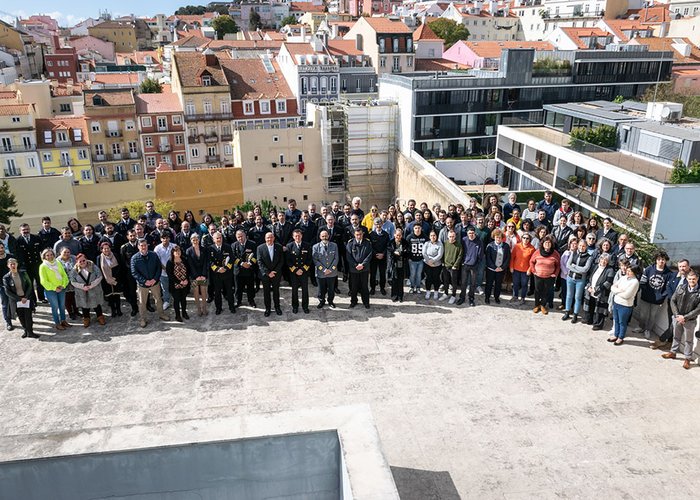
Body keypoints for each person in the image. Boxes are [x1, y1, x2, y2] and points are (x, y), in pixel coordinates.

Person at [662, 270, 700, 370]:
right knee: (676, 336)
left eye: (694, 279)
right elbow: (673, 301)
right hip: (678, 318)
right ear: (687, 279)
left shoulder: (699, 292)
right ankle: (673, 352)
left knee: (688, 340)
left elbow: (698, 309)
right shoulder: (681, 287)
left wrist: (685, 317)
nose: (692, 281)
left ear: (697, 279)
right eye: (690, 279)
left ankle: (687, 359)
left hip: (690, 321)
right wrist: (677, 315)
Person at [652, 259, 691, 350]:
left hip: (683, 307)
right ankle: (669, 343)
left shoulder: (692, 278)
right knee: (671, 323)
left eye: (684, 266)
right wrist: (672, 299)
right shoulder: (674, 275)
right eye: (680, 266)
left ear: (688, 266)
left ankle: (661, 339)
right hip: (672, 304)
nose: (682, 268)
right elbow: (668, 287)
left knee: (674, 325)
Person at [131, 238, 169, 328]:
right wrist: (145, 281)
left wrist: (154, 279)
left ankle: (161, 314)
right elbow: (134, 272)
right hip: (142, 285)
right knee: (142, 302)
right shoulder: (134, 258)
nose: (143, 247)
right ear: (138, 247)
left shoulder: (153, 255)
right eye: (141, 246)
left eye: (145, 245)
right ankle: (143, 319)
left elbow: (158, 268)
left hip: (154, 283)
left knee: (159, 299)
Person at [635, 251, 673, 341]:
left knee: (652, 316)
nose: (661, 261)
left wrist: (661, 297)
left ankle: (648, 330)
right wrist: (647, 292)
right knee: (643, 314)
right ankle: (641, 327)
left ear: (666, 261)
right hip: (646, 297)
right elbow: (643, 282)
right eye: (659, 259)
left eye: (663, 260)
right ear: (656, 260)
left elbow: (668, 288)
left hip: (657, 300)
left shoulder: (669, 273)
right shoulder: (649, 269)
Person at [38, 248, 71, 331]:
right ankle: (57, 323)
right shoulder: (43, 266)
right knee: (55, 307)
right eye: (47, 255)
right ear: (44, 256)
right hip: (51, 290)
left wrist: (63, 285)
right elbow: (43, 281)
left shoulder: (58, 263)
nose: (50, 257)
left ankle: (63, 320)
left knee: (62, 306)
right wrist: (54, 288)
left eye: (51, 254)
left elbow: (64, 275)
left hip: (61, 288)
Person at [3, 258, 37, 338]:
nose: (13, 265)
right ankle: (26, 331)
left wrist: (25, 297)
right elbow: (7, 292)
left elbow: (29, 285)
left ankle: (30, 332)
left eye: (14, 263)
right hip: (16, 300)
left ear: (17, 264)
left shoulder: (23, 273)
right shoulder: (6, 277)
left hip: (26, 298)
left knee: (28, 316)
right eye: (11, 264)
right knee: (21, 317)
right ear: (8, 266)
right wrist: (19, 299)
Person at [69, 253, 105, 328]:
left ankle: (100, 316)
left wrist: (92, 285)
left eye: (83, 260)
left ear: (86, 259)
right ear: (77, 262)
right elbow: (72, 281)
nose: (82, 262)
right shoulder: (74, 270)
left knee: (96, 304)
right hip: (82, 291)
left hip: (94, 289)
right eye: (80, 261)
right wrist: (82, 286)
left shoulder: (93, 266)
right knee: (84, 305)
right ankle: (86, 318)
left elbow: (99, 276)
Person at [609, 264, 641, 346]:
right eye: (627, 270)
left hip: (625, 305)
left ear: (634, 272)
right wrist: (620, 290)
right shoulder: (623, 278)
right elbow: (613, 287)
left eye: (630, 271)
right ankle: (616, 335)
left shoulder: (635, 282)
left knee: (622, 322)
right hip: (616, 302)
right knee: (616, 320)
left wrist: (617, 291)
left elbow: (627, 295)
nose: (628, 272)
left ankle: (621, 337)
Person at [562, 238, 593, 323]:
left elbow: (585, 270)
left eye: (583, 246)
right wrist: (577, 268)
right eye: (580, 245)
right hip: (570, 278)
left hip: (580, 280)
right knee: (569, 296)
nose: (581, 247)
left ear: (586, 246)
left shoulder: (589, 257)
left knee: (578, 298)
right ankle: (567, 312)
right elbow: (568, 265)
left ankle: (575, 314)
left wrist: (574, 266)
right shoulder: (574, 253)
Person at [528, 235, 560, 315]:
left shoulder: (555, 253)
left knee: (546, 292)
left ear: (552, 244)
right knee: (537, 291)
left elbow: (558, 265)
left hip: (549, 277)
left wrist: (555, 274)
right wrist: (533, 270)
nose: (547, 244)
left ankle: (543, 305)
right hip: (538, 275)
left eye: (549, 243)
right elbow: (531, 261)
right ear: (542, 243)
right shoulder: (537, 252)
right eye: (546, 242)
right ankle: (536, 305)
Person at [583, 253, 615, 330]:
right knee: (591, 306)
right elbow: (590, 277)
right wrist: (589, 286)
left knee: (599, 309)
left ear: (608, 261)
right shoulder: (595, 266)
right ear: (599, 259)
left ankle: (598, 324)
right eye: (602, 259)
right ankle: (589, 320)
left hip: (601, 293)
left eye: (605, 260)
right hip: (591, 290)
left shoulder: (610, 270)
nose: (603, 261)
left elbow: (608, 283)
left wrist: (597, 289)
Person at [15, 223, 44, 302]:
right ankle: (33, 300)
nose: (26, 231)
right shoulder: (18, 241)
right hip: (26, 266)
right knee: (29, 283)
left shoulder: (36, 238)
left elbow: (42, 249)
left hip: (37, 263)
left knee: (40, 281)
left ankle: (41, 298)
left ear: (29, 229)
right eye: (23, 230)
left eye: (27, 229)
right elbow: (17, 254)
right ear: (20, 231)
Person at [257, 232, 284, 317]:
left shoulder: (279, 247)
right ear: (265, 239)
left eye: (271, 237)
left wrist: (274, 271)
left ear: (274, 238)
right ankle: (267, 308)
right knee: (266, 292)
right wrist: (268, 273)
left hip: (276, 274)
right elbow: (259, 262)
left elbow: (281, 261)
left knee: (276, 292)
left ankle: (277, 307)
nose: (269, 239)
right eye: (268, 238)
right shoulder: (260, 248)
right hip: (265, 275)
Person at [208, 232, 235, 315]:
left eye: (220, 238)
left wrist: (226, 268)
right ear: (213, 239)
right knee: (217, 292)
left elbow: (231, 259)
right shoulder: (210, 249)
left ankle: (232, 307)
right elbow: (209, 261)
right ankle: (218, 308)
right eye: (217, 238)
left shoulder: (227, 247)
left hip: (227, 274)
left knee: (229, 291)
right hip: (216, 275)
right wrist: (217, 269)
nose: (219, 239)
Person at [286, 229, 312, 314]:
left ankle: (305, 306)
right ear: (293, 237)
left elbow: (309, 259)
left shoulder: (307, 245)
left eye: (299, 235)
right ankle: (295, 306)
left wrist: (303, 269)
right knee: (294, 291)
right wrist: (296, 270)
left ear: (302, 236)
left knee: (305, 290)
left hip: (304, 271)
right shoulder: (289, 246)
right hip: (294, 272)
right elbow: (288, 260)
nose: (297, 237)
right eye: (296, 236)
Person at [313, 229, 339, 309]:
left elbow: (336, 258)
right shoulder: (315, 247)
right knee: (321, 289)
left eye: (326, 236)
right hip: (321, 273)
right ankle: (321, 301)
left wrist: (330, 269)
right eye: (323, 236)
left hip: (332, 272)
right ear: (320, 237)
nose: (325, 237)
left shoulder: (334, 245)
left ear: (328, 236)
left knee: (331, 289)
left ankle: (330, 301)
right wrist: (324, 270)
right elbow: (315, 260)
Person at [346, 227, 372, 309]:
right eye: (357, 235)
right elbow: (348, 256)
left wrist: (363, 264)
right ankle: (353, 301)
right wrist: (355, 265)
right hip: (354, 269)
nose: (359, 236)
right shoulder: (350, 243)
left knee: (364, 286)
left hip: (364, 269)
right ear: (354, 235)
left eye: (360, 234)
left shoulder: (367, 243)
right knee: (354, 287)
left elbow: (369, 255)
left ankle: (366, 302)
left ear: (362, 234)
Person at [457, 227, 483, 307]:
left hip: (474, 265)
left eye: (472, 233)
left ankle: (471, 298)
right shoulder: (464, 240)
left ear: (475, 233)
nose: (471, 235)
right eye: (469, 233)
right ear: (467, 233)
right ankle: (462, 297)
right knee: (464, 283)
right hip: (465, 264)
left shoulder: (479, 241)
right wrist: (462, 262)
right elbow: (461, 251)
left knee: (473, 283)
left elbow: (480, 254)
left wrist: (477, 263)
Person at [96, 242, 123, 318]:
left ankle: (118, 309)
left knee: (117, 295)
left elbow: (119, 267)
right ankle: (113, 310)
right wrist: (107, 279)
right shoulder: (99, 258)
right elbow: (99, 270)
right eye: (104, 248)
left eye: (108, 248)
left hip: (116, 279)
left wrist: (115, 277)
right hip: (106, 280)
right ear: (102, 250)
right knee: (110, 297)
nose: (107, 250)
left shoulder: (115, 255)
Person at [231, 230, 256, 309]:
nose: (240, 238)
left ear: (245, 236)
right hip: (238, 270)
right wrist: (242, 263)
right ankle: (238, 301)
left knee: (250, 286)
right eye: (238, 237)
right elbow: (233, 257)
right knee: (238, 287)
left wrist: (250, 263)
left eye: (241, 236)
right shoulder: (233, 245)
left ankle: (251, 300)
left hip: (249, 269)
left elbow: (256, 256)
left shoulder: (252, 244)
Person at [484, 229, 510, 305]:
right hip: (491, 269)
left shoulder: (506, 246)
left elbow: (508, 258)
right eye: (497, 237)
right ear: (494, 237)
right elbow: (488, 258)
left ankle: (496, 297)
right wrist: (495, 267)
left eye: (500, 237)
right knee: (489, 284)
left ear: (502, 238)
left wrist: (502, 267)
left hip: (501, 270)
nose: (498, 239)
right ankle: (487, 297)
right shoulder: (490, 246)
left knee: (498, 284)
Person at [185, 233, 209, 316]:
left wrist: (203, 275)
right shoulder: (188, 250)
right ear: (191, 240)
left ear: (199, 240)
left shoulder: (204, 249)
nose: (195, 241)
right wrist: (196, 276)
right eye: (193, 240)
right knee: (195, 292)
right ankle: (198, 309)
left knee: (204, 291)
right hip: (194, 275)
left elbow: (206, 262)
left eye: (197, 239)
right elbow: (190, 264)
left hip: (203, 275)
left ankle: (204, 308)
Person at [510, 232, 535, 305]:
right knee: (515, 283)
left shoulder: (532, 248)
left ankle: (523, 297)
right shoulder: (517, 246)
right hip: (516, 268)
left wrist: (530, 269)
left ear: (529, 239)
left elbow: (532, 261)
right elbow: (512, 257)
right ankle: (515, 296)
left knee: (524, 284)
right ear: (521, 238)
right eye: (524, 238)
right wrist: (511, 266)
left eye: (527, 238)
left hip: (525, 270)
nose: (525, 239)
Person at [166, 246, 190, 322]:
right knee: (176, 300)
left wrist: (186, 279)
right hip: (175, 285)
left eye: (179, 251)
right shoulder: (170, 262)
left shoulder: (184, 260)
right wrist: (180, 282)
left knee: (183, 299)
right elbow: (170, 275)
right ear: (173, 253)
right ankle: (177, 315)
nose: (178, 252)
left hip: (185, 284)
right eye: (176, 251)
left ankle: (184, 313)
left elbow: (188, 270)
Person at [368, 218, 389, 296]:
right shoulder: (371, 234)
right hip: (374, 257)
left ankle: (382, 288)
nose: (378, 225)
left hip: (383, 257)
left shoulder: (386, 234)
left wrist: (383, 254)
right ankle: (372, 288)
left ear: (382, 224)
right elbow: (370, 246)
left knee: (382, 274)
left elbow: (387, 246)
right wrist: (376, 254)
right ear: (374, 224)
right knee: (373, 274)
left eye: (379, 223)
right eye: (376, 224)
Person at [441, 230, 463, 305]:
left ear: (455, 236)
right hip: (445, 266)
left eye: (453, 236)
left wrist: (455, 265)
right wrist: (443, 262)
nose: (451, 238)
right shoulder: (445, 243)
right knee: (445, 281)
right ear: (448, 236)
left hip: (454, 267)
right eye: (450, 236)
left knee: (454, 282)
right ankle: (446, 293)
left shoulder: (459, 245)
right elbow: (442, 253)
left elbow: (460, 256)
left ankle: (453, 295)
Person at [387, 228, 408, 303]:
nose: (398, 237)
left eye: (400, 235)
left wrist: (401, 253)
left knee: (400, 280)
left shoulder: (405, 242)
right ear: (394, 235)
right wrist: (394, 253)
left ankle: (400, 296)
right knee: (394, 280)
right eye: (397, 235)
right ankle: (394, 296)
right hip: (394, 264)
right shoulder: (390, 242)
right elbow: (389, 253)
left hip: (402, 263)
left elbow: (407, 251)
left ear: (401, 235)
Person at [57, 247, 78, 320]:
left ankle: (76, 311)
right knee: (67, 299)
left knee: (75, 297)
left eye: (68, 252)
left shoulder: (74, 258)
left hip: (74, 281)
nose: (66, 254)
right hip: (64, 282)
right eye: (64, 252)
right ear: (60, 253)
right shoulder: (57, 261)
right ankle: (70, 312)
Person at [422, 230, 444, 300]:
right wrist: (429, 261)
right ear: (429, 236)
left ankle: (436, 291)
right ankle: (428, 291)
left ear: (436, 236)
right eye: (431, 235)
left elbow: (440, 254)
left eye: (434, 235)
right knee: (428, 278)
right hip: (427, 263)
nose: (433, 237)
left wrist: (433, 261)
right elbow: (424, 253)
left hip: (437, 264)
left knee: (436, 278)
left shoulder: (440, 244)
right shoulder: (426, 243)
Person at [405, 224, 426, 294]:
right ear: (413, 229)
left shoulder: (425, 237)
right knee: (412, 274)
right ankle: (412, 287)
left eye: (419, 228)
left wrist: (424, 258)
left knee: (419, 274)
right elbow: (406, 248)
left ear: (421, 229)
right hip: (412, 260)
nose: (417, 229)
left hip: (421, 260)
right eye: (416, 228)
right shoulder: (409, 237)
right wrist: (408, 258)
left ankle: (418, 287)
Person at [0, 242, 12, 330]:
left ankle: (23, 318)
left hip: (13, 284)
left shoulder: (10, 257)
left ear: (4, 247)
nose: (0, 250)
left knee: (16, 302)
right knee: (5, 303)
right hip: (2, 286)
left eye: (1, 247)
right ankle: (8, 322)